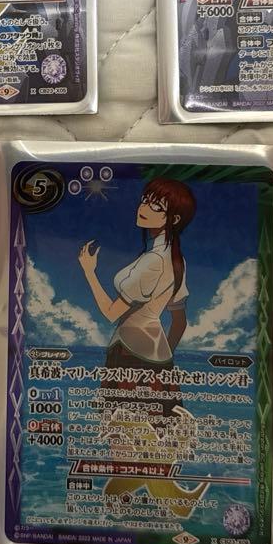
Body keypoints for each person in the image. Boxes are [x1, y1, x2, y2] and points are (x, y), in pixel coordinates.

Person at [77, 178, 197, 417]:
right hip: (158, 357)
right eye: (145, 200)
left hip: (129, 354)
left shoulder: (154, 261)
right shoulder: (175, 259)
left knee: (123, 428)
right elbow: (179, 322)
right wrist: (162, 361)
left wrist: (89, 272)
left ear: (173, 219)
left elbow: (111, 313)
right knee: (155, 430)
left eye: (156, 206)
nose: (144, 208)